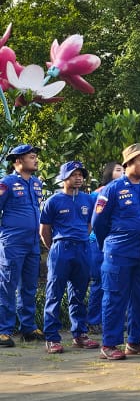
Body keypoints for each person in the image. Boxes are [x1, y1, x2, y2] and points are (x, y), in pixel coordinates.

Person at [92, 143, 140, 360]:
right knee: (114, 298)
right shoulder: (112, 189)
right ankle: (109, 344)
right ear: (128, 163)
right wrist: (109, 245)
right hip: (119, 253)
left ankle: (135, 342)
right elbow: (98, 223)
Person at [39, 161, 98, 353]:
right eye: (74, 174)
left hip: (82, 248)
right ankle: (52, 337)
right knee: (54, 294)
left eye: (81, 174)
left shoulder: (88, 200)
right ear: (64, 178)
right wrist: (55, 247)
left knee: (79, 295)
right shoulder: (54, 201)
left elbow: (89, 224)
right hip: (61, 249)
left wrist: (80, 238)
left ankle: (79, 334)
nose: (79, 177)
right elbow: (44, 230)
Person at [0, 144, 44, 347]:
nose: (35, 160)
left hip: (32, 242)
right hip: (13, 243)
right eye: (31, 157)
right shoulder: (6, 183)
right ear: (18, 161)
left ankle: (28, 327)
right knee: (7, 285)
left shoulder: (36, 183)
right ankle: (3, 330)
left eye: (35, 157)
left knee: (29, 286)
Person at [86, 162, 123, 334]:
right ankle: (94, 321)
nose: (122, 172)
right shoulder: (98, 193)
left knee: (118, 284)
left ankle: (113, 321)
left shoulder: (126, 191)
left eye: (123, 170)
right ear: (108, 173)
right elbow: (92, 221)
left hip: (119, 243)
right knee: (99, 282)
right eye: (118, 170)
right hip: (98, 242)